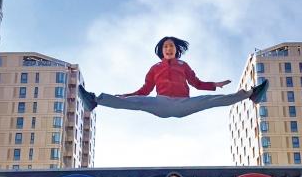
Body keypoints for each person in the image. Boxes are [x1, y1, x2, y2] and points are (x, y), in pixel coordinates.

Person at [79, 36, 269, 118]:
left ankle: (252, 94)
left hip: (183, 104)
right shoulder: (154, 68)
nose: (169, 49)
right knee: (136, 101)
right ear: (161, 51)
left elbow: (196, 83)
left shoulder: (183, 65)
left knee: (212, 100)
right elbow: (144, 91)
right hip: (161, 103)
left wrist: (214, 84)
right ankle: (95, 100)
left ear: (176, 50)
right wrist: (124, 97)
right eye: (165, 47)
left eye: (171, 46)